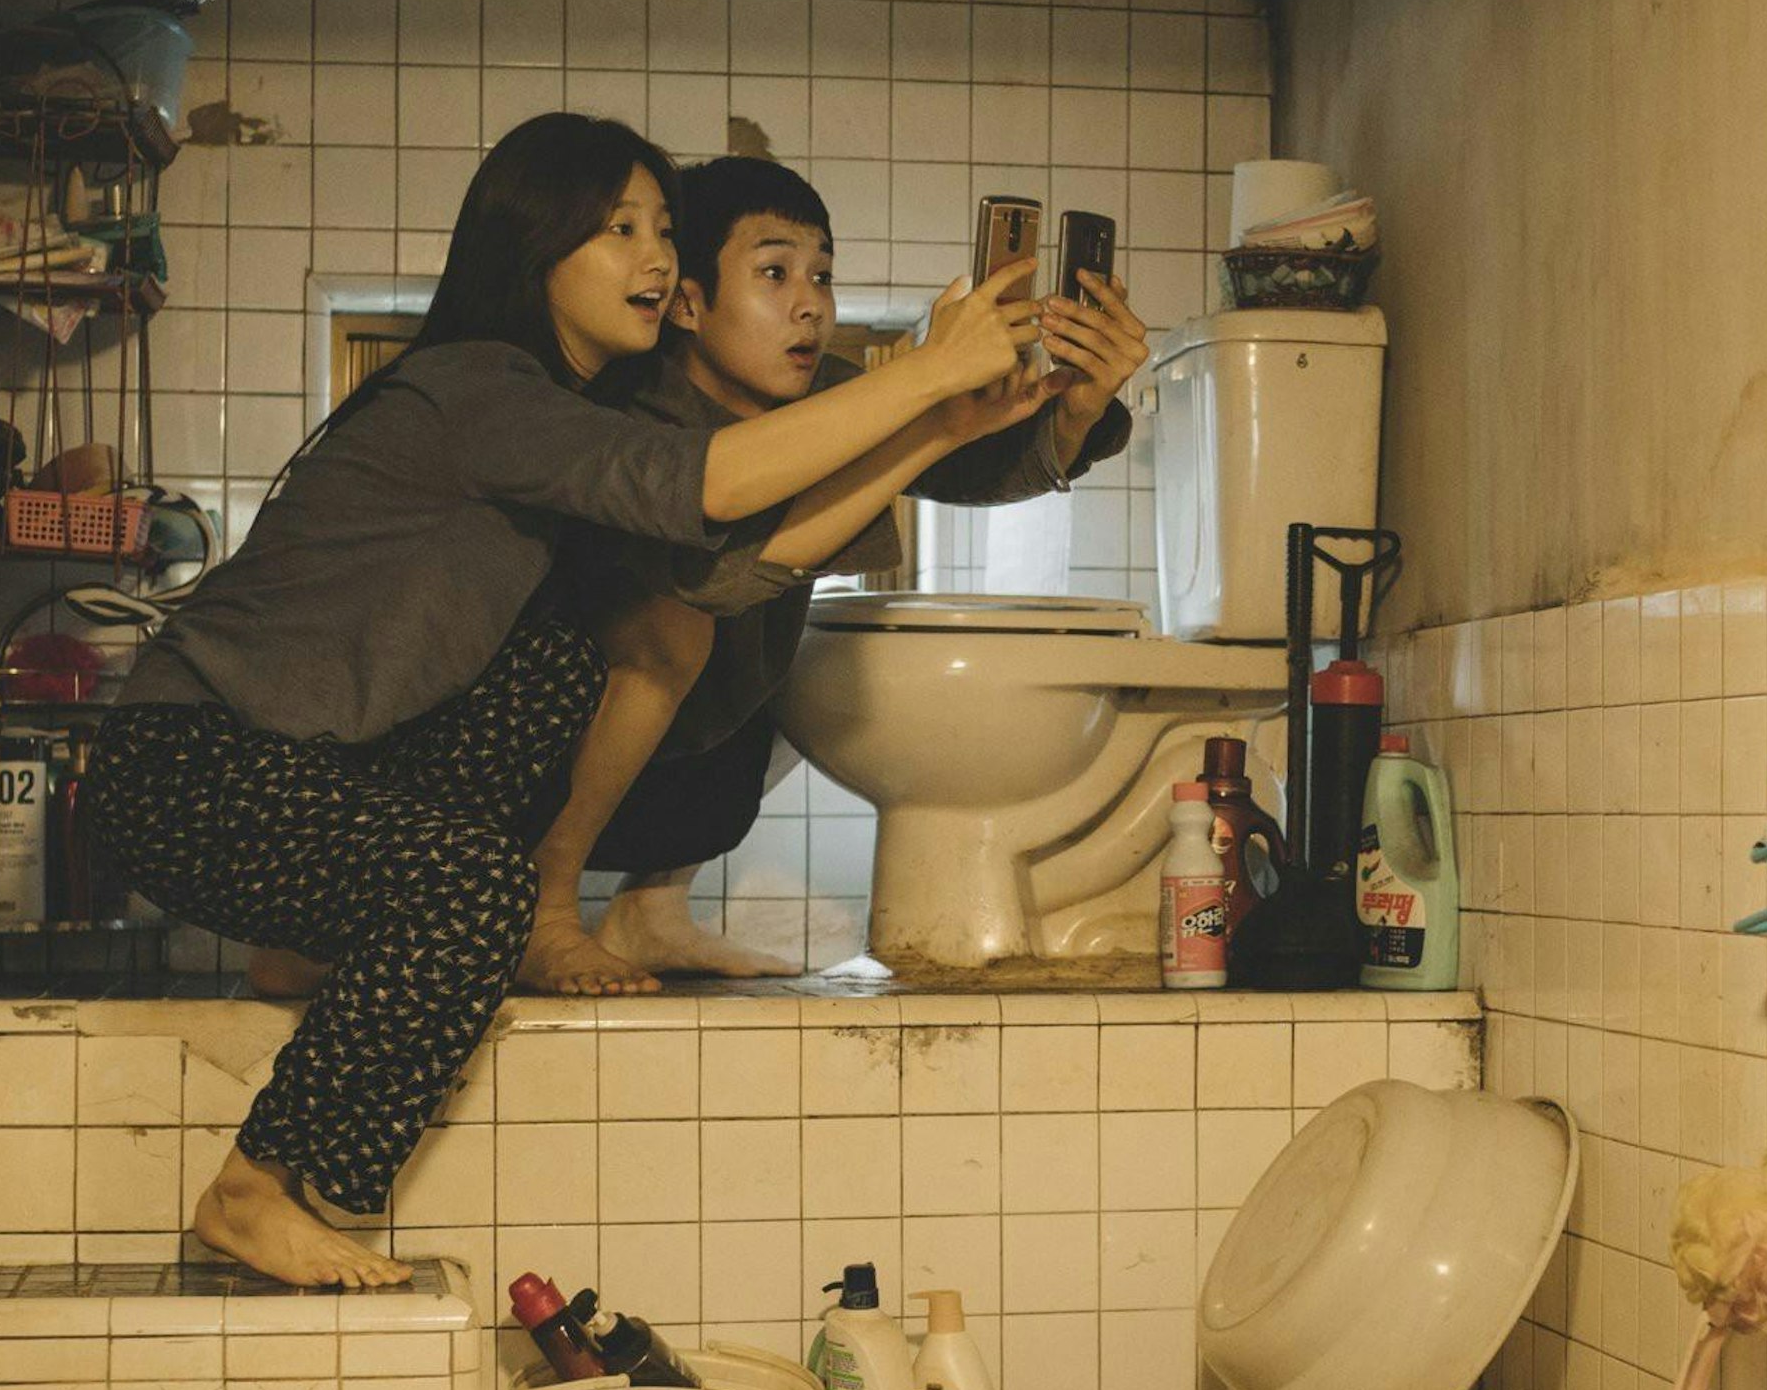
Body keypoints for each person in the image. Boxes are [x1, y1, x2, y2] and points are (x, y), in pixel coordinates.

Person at [86, 112, 1038, 1284]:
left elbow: (724, 568)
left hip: (305, 766)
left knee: (560, 665)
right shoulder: (481, 389)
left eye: (660, 229)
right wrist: (929, 370)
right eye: (618, 229)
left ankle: (295, 951)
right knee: (474, 893)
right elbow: (708, 484)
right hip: (190, 763)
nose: (654, 256)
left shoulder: (562, 416)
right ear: (536, 248)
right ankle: (254, 1190)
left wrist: (936, 425)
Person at [517, 157, 1151, 993]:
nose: (810, 301)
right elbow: (714, 578)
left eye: (821, 274)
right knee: (688, 619)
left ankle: (652, 910)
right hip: (540, 774)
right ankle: (545, 908)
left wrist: (1073, 415)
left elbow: (970, 460)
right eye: (774, 273)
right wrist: (922, 396)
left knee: (816, 644)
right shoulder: (631, 413)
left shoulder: (826, 387)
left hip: (694, 774)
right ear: (689, 301)